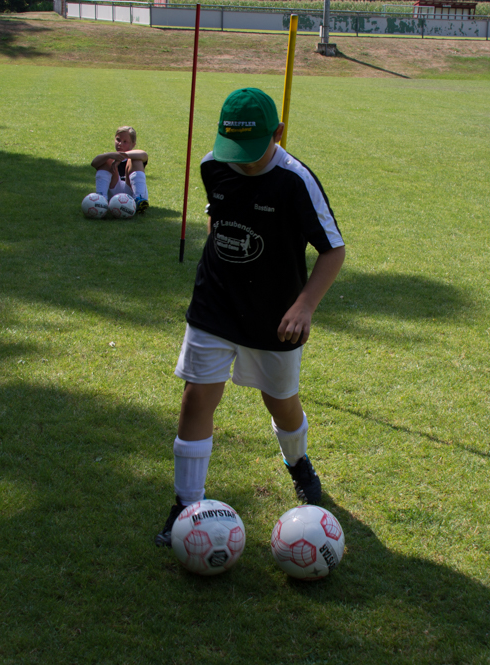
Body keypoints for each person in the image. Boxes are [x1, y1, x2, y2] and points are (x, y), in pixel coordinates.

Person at [155, 88, 346, 548]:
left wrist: (304, 306)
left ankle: (297, 463)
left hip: (276, 314)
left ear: (277, 134)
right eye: (232, 148)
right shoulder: (212, 165)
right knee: (197, 397)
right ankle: (186, 505)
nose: (239, 160)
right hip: (215, 303)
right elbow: (217, 217)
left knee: (280, 402)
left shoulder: (295, 181)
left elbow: (333, 250)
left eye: (251, 150)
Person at [90, 126, 149, 213]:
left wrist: (123, 156)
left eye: (125, 141)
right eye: (118, 140)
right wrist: (108, 155)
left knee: (135, 161)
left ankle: (138, 199)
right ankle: (101, 200)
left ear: (133, 144)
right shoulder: (111, 158)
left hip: (132, 190)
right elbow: (94, 163)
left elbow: (144, 155)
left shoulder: (136, 156)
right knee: (106, 161)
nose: (120, 144)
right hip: (115, 191)